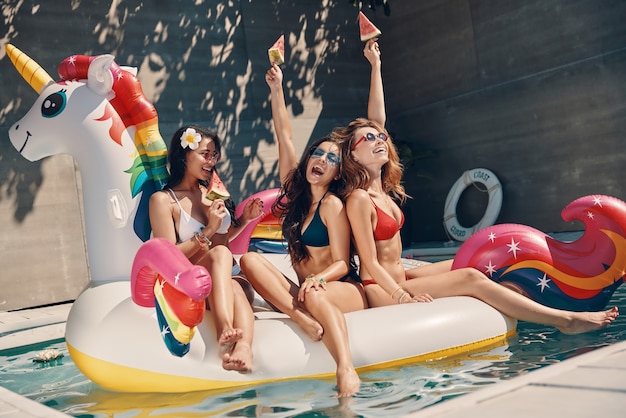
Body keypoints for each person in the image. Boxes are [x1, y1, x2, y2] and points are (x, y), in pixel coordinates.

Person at [334, 117, 619, 333]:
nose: (378, 139)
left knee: (469, 262)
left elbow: (377, 115)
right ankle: (564, 320)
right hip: (383, 289)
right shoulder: (359, 199)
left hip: (401, 278)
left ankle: (524, 300)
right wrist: (402, 296)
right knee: (470, 277)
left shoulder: (382, 191)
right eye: (368, 138)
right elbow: (369, 262)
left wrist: (375, 63)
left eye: (381, 135)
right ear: (354, 156)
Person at [239, 48, 388, 396]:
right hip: (304, 294)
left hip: (341, 289)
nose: (321, 159)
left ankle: (346, 368)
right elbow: (284, 137)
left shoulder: (333, 205)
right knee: (248, 260)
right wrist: (277, 89)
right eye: (318, 153)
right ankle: (302, 319)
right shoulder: (295, 198)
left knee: (317, 296)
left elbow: (341, 262)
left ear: (338, 172)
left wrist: (319, 279)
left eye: (331, 158)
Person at [149, 125, 262, 372]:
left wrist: (244, 220)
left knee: (231, 278)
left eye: (215, 155)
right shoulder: (163, 201)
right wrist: (209, 229)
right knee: (221, 255)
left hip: (231, 280)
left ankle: (241, 347)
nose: (212, 161)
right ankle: (227, 332)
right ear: (184, 155)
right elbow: (168, 258)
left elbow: (223, 239)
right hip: (193, 284)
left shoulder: (210, 193)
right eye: (205, 154)